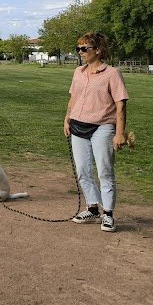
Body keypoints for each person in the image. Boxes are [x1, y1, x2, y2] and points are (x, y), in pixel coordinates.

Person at [63, 32, 129, 232]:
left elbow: (121, 105)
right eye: (79, 48)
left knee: (104, 171)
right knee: (83, 170)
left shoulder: (112, 73)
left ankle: (108, 214)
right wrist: (67, 118)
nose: (80, 52)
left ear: (98, 50)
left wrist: (120, 133)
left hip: (103, 127)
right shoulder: (78, 72)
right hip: (77, 126)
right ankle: (92, 208)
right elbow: (73, 97)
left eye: (85, 48)